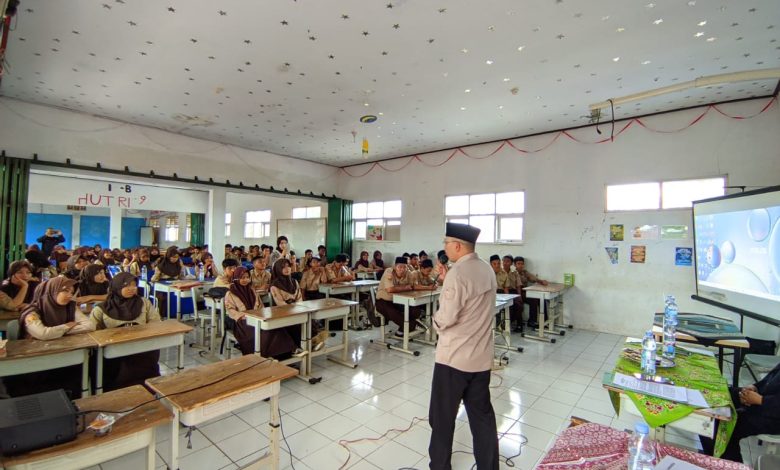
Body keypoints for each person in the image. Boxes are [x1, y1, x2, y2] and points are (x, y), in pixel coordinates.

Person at [429, 223, 498, 470]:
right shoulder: (487, 269)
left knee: (442, 419)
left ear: (457, 246)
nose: (444, 246)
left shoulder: (458, 273)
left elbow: (446, 318)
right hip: (480, 359)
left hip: (453, 360)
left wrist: (434, 321)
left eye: (446, 242)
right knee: (482, 418)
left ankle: (439, 466)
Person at [7, 277, 95, 398]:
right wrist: (65, 327)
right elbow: (42, 333)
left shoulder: (71, 307)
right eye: (65, 291)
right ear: (51, 291)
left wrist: (58, 331)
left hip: (63, 356)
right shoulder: (32, 311)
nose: (69, 295)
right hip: (34, 361)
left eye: (71, 292)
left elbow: (90, 325)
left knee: (78, 372)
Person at [89, 273, 161, 391]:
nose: (131, 289)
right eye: (126, 285)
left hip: (141, 348)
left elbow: (155, 322)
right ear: (116, 287)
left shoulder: (144, 303)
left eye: (134, 285)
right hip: (114, 352)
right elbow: (94, 334)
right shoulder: (101, 309)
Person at [701, 361, 780, 461]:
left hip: (773, 415)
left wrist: (760, 400)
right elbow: (772, 377)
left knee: (722, 423)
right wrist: (755, 387)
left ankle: (727, 465)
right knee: (718, 396)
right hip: (763, 399)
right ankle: (712, 459)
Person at [375, 257, 424, 338]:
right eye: (400, 267)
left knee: (416, 310)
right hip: (383, 301)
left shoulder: (408, 273)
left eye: (404, 267)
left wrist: (428, 287)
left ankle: (402, 330)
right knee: (394, 313)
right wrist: (405, 287)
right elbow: (390, 289)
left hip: (399, 301)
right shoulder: (389, 271)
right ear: (395, 267)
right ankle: (413, 325)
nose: (402, 269)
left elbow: (413, 286)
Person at [514, 256, 548, 328]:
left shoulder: (524, 272)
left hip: (526, 292)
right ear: (515, 265)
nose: (520, 265)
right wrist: (519, 296)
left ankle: (545, 321)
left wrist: (541, 281)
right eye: (518, 263)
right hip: (517, 293)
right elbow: (517, 287)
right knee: (534, 299)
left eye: (522, 264)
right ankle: (532, 321)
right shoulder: (513, 273)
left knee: (542, 299)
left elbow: (533, 278)